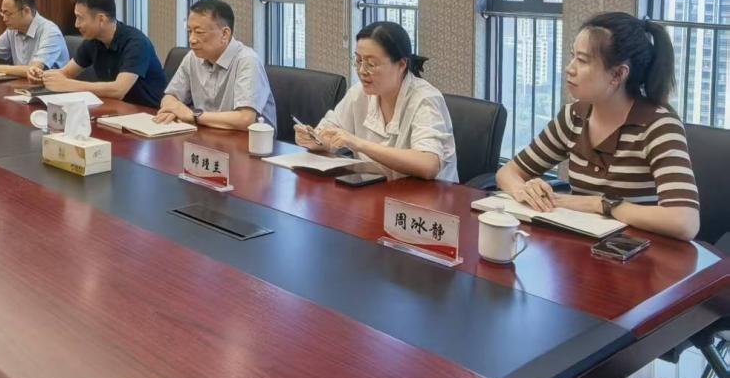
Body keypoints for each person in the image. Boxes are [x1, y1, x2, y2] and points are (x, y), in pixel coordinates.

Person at [495, 12, 699, 241]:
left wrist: (602, 204)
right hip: (581, 248)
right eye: (572, 56)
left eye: (582, 61)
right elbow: (508, 172)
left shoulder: (658, 125)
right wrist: (524, 191)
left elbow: (685, 222)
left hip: (640, 253)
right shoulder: (573, 117)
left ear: (618, 74)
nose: (569, 68)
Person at [294, 21, 457, 181]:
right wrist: (317, 140)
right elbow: (332, 131)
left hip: (426, 195)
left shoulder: (425, 99)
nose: (362, 71)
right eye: (358, 61)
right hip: (375, 190)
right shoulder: (358, 94)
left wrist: (358, 144)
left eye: (371, 64)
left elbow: (428, 165)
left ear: (401, 65)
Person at [35, 0, 166, 108]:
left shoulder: (136, 43)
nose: (76, 24)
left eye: (80, 18)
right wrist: (42, 75)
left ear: (101, 19)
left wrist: (68, 85)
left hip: (149, 113)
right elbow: (66, 73)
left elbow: (119, 90)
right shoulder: (93, 41)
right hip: (115, 109)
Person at [154, 0, 276, 129]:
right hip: (208, 135)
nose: (192, 39)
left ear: (225, 34)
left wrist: (193, 116)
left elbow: (245, 118)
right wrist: (174, 109)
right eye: (190, 31)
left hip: (247, 140)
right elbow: (170, 96)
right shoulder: (193, 57)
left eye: (199, 32)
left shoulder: (247, 61)